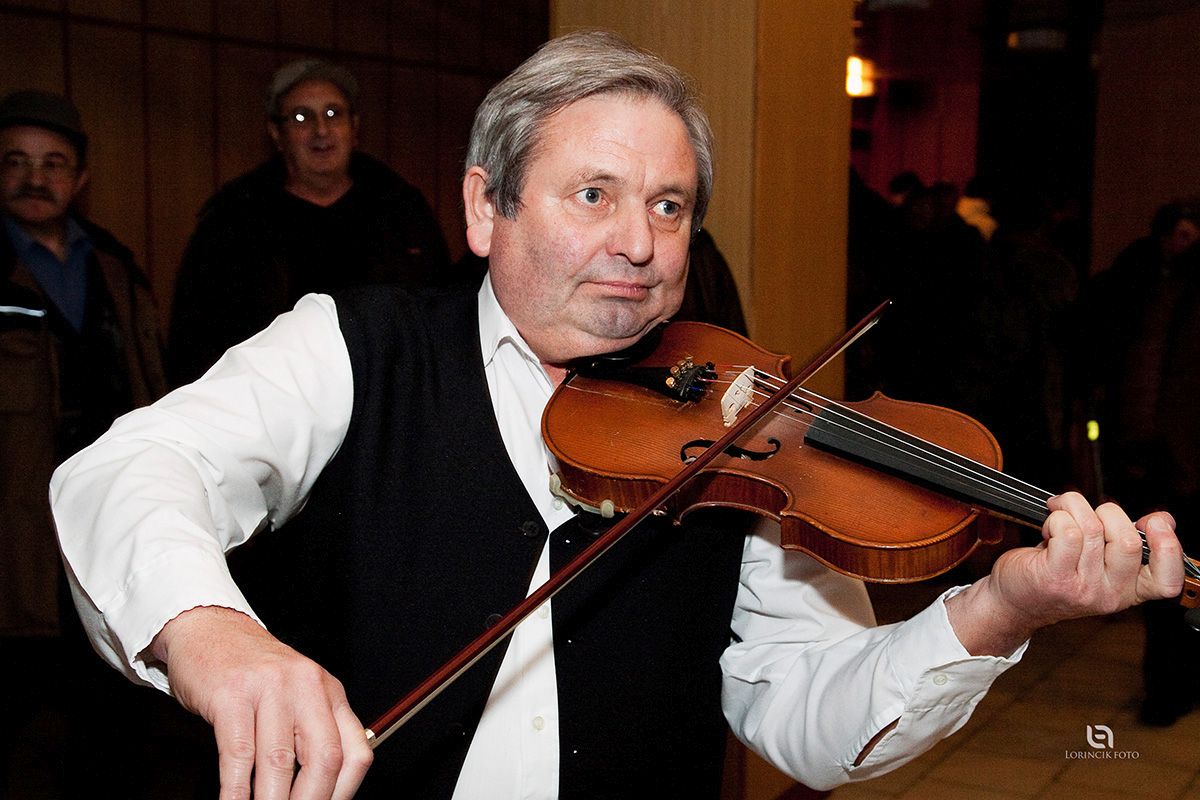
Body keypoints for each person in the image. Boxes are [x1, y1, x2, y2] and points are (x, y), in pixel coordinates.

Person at [50, 32, 1185, 800]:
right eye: (593, 194)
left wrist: (997, 607)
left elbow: (810, 720)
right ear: (485, 206)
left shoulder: (749, 436)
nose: (640, 244)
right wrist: (215, 634)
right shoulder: (354, 346)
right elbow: (128, 468)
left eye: (670, 205)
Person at [0, 89, 176, 794]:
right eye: (15, 162)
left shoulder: (114, 266)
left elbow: (154, 387)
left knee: (111, 722)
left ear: (79, 179)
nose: (34, 178)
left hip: (103, 525)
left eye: (53, 164)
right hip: (14, 537)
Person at [167, 58, 451, 386]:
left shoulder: (401, 213)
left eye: (333, 114)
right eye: (301, 117)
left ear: (354, 127)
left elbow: (441, 313)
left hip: (387, 397)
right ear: (277, 133)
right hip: (269, 400)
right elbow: (193, 342)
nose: (321, 130)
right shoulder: (232, 222)